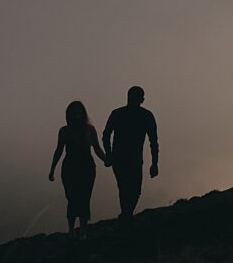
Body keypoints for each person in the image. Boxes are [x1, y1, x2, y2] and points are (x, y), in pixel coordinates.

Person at [48, 100, 108, 238]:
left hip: (86, 167)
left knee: (85, 198)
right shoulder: (64, 131)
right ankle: (71, 229)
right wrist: (52, 170)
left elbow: (97, 148)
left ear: (83, 113)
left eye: (79, 111)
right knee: (72, 198)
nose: (77, 114)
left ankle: (82, 230)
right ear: (69, 114)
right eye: (74, 112)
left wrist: (106, 160)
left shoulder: (89, 130)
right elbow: (59, 150)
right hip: (70, 167)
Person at [102, 85, 158, 219]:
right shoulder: (145, 115)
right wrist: (154, 163)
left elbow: (106, 135)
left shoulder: (118, 114)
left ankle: (126, 215)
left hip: (125, 158)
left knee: (126, 189)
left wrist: (109, 154)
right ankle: (127, 215)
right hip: (129, 159)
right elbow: (153, 142)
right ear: (142, 99)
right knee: (130, 189)